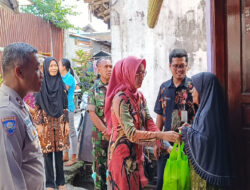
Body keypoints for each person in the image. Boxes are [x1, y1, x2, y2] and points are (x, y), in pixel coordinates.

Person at [104, 56, 181, 190]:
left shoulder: (139, 97)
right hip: (121, 157)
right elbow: (132, 134)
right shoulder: (120, 99)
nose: (141, 77)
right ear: (127, 73)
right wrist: (163, 136)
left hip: (136, 154)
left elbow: (150, 123)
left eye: (143, 72)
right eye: (137, 73)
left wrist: (169, 147)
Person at [0, 42, 44, 189]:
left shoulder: (18, 104)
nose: (41, 74)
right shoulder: (7, 113)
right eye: (37, 68)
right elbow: (10, 179)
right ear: (19, 72)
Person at [153, 48, 196, 190]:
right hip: (166, 145)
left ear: (187, 66)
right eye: (176, 66)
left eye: (182, 65)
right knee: (162, 183)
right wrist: (156, 141)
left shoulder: (193, 87)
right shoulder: (164, 88)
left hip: (187, 146)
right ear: (170, 66)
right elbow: (159, 116)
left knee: (183, 184)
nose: (179, 69)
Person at [179, 72, 231, 189]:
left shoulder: (208, 114)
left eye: (195, 88)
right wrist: (191, 128)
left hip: (208, 178)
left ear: (204, 90)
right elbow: (203, 133)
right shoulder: (207, 110)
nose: (192, 92)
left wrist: (186, 132)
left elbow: (206, 141)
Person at [34, 57, 69, 190]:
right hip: (45, 122)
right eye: (51, 66)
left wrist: (66, 123)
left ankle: (61, 182)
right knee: (47, 154)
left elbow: (65, 105)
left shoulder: (61, 83)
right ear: (46, 68)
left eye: (55, 66)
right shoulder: (40, 84)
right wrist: (39, 125)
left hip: (59, 122)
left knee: (59, 154)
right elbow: (37, 106)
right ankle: (49, 183)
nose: (54, 68)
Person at [87, 58, 113, 190]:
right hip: (99, 138)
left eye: (110, 66)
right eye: (106, 67)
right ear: (98, 70)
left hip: (116, 137)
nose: (109, 69)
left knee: (116, 172)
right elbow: (92, 114)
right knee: (99, 172)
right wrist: (106, 131)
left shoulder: (117, 89)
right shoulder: (93, 90)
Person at [58, 58, 78, 166]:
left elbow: (63, 90)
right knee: (64, 132)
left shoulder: (69, 78)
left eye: (59, 65)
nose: (57, 67)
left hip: (68, 108)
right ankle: (66, 154)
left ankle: (74, 156)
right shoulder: (61, 77)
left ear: (64, 67)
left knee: (71, 132)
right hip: (62, 109)